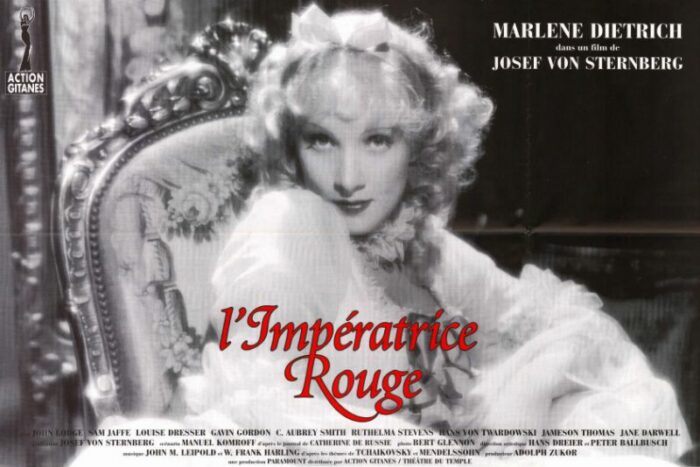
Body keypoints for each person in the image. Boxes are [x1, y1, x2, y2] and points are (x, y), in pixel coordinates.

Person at [72, 4, 691, 465]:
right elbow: (272, 406)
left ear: (419, 147)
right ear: (292, 147)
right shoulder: (292, 224)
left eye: (376, 140)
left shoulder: (425, 249)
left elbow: (570, 327)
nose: (347, 178)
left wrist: (533, 382)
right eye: (322, 140)